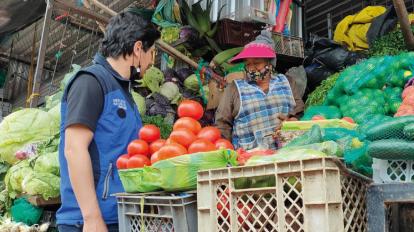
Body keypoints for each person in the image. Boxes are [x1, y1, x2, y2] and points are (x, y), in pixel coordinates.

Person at [57, 12, 160, 232]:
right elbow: (74, 149)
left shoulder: (124, 91)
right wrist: (92, 218)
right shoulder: (91, 82)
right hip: (88, 222)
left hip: (118, 215)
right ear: (138, 48)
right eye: (152, 52)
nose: (152, 61)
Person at [215, 30, 296, 151]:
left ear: (270, 63)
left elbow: (300, 114)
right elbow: (222, 123)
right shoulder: (234, 88)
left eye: (257, 63)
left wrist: (292, 121)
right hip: (249, 160)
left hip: (286, 154)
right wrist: (227, 151)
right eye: (248, 64)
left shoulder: (287, 82)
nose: (252, 68)